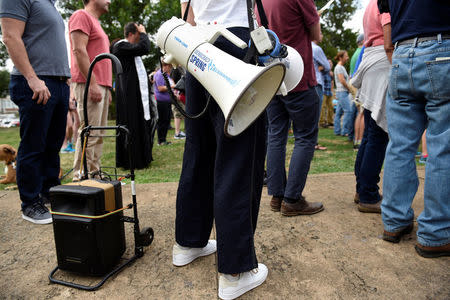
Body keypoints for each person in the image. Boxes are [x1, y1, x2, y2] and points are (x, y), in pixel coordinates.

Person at [173, 1, 268, 299]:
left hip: (196, 46)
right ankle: (235, 271)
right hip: (237, 42)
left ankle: (188, 244)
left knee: (198, 151)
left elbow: (187, 13)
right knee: (239, 156)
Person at [379, 0, 450, 258]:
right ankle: (437, 233)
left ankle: (394, 222)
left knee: (399, 145)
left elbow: (385, 15)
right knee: (443, 145)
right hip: (443, 47)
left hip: (401, 52)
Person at [0, 0, 70, 224]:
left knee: (52, 144)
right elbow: (10, 36)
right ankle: (30, 203)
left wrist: (64, 83)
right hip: (35, 81)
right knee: (34, 145)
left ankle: (49, 193)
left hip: (58, 82)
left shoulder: (49, 3)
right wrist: (32, 78)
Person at [262, 0, 324, 217]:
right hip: (298, 75)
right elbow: (317, 36)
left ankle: (277, 195)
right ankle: (292, 199)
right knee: (305, 137)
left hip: (272, 76)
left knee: (276, 135)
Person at [350, 0, 391, 213]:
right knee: (378, 135)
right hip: (383, 59)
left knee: (370, 135)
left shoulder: (370, 3)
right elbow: (388, 31)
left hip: (371, 59)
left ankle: (362, 189)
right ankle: (368, 193)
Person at [69, 0, 112, 181]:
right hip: (90, 83)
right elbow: (79, 50)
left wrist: (106, 87)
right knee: (90, 132)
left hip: (101, 84)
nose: (109, 1)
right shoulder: (81, 16)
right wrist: (92, 83)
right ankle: (83, 176)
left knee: (98, 134)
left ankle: (94, 173)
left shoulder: (96, 22)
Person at [111, 22, 155, 169]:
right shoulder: (120, 46)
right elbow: (144, 47)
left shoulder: (129, 49)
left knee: (139, 124)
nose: (139, 38)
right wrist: (144, 33)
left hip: (136, 95)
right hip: (128, 96)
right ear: (131, 34)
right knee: (131, 125)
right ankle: (131, 160)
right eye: (138, 34)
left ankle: (142, 158)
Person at [311, 33, 330, 151]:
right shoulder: (316, 49)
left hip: (307, 83)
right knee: (316, 114)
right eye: (321, 32)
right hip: (317, 83)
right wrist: (323, 66)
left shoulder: (304, 46)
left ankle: (310, 142)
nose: (322, 35)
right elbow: (327, 66)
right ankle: (314, 143)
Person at [333, 51, 353, 138]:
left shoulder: (341, 67)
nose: (347, 58)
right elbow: (342, 80)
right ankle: (345, 131)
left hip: (341, 92)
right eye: (346, 56)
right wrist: (349, 88)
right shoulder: (339, 68)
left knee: (338, 112)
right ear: (341, 58)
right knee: (348, 111)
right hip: (342, 92)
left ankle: (337, 130)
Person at [153, 61, 174, 146]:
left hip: (167, 101)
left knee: (166, 120)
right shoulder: (159, 74)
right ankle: (161, 140)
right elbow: (160, 88)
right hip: (161, 101)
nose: (170, 69)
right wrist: (172, 87)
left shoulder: (166, 74)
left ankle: (163, 139)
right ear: (165, 66)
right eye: (170, 67)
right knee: (162, 121)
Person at [319, 59, 334, 128]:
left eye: (331, 63)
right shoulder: (323, 71)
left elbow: (332, 82)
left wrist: (332, 90)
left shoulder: (331, 73)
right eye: (329, 63)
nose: (330, 64)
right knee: (323, 107)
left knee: (331, 106)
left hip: (329, 91)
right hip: (323, 91)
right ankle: (322, 122)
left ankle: (330, 121)